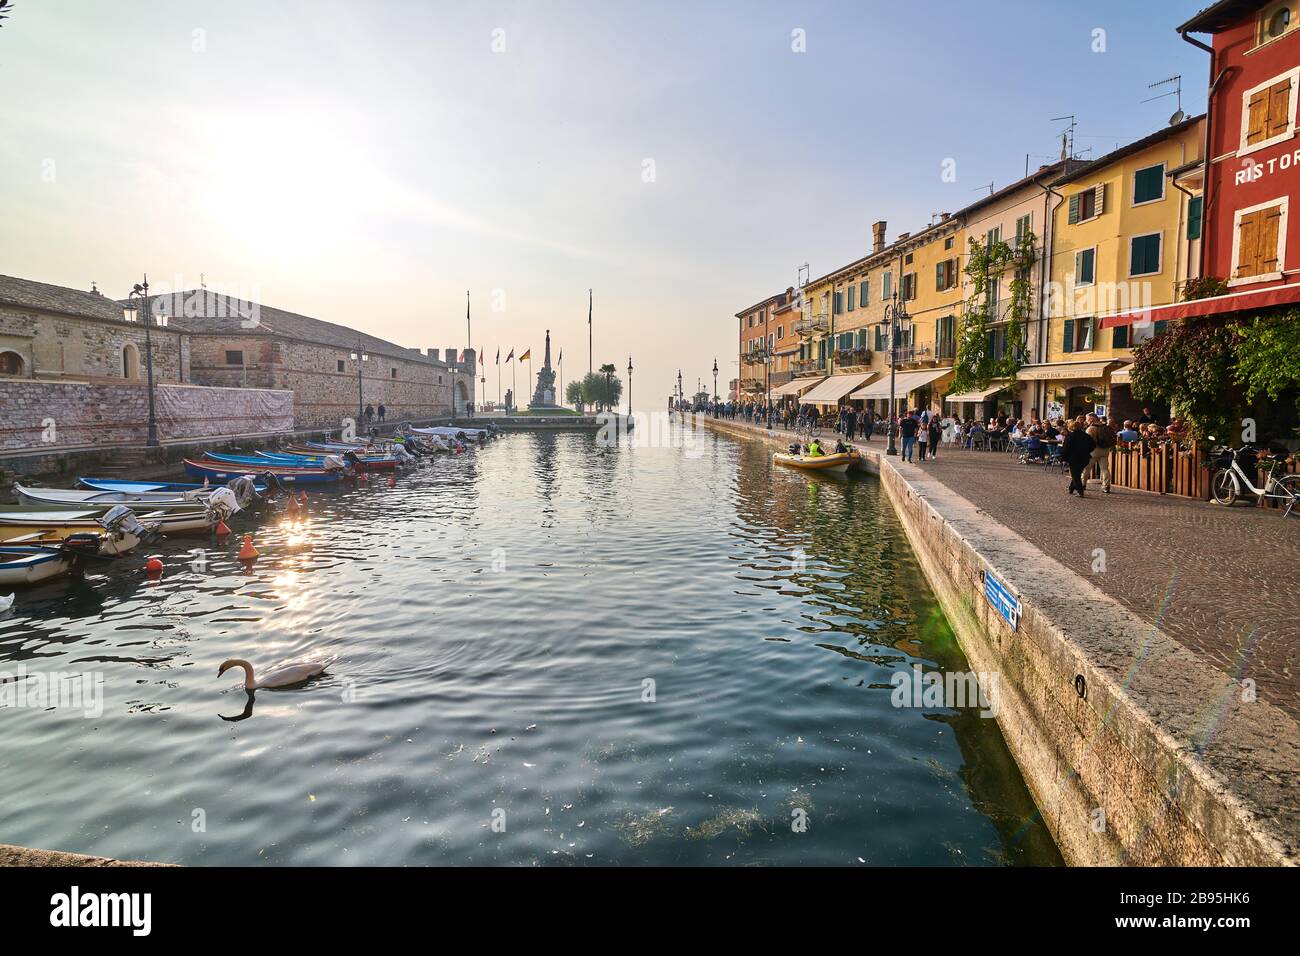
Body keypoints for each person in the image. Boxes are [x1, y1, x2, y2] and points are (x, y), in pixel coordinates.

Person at [1063, 419, 1096, 497]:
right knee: (1077, 473)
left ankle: (1080, 491)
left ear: (1071, 427)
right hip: (1085, 457)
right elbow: (1093, 445)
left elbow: (1066, 448)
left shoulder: (1070, 436)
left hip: (1074, 458)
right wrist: (1087, 451)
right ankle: (1071, 488)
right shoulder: (1086, 435)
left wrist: (1064, 458)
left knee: (1075, 475)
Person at [1087, 415, 1116, 493]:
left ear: (1091, 419)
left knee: (1086, 468)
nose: (1087, 421)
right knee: (1105, 469)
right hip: (1105, 449)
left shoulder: (1091, 428)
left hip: (1094, 450)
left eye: (1087, 419)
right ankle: (1106, 486)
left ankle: (1082, 484)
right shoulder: (1106, 427)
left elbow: (1087, 440)